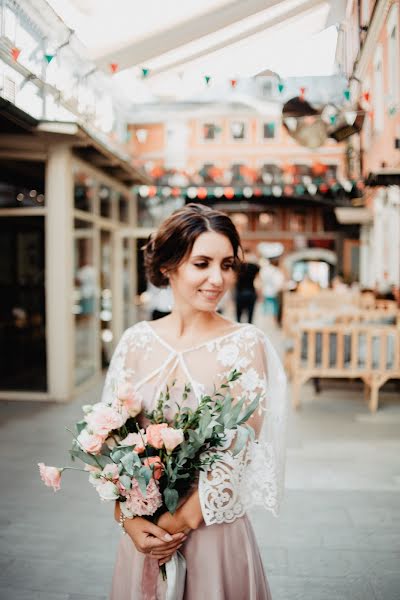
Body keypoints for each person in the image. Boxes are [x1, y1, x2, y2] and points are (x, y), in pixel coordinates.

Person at [102, 204, 287, 600]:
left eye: (226, 264)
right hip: (144, 533)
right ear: (168, 266)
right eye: (201, 263)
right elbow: (112, 438)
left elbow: (239, 448)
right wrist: (129, 519)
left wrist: (175, 524)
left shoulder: (244, 343)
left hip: (208, 531)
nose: (217, 279)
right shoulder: (136, 341)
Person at [234, 248, 260, 323]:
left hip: (240, 292)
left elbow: (233, 280)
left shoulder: (238, 266)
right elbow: (258, 281)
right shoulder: (255, 267)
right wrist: (259, 293)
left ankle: (238, 330)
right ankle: (249, 331)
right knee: (250, 316)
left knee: (238, 315)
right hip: (251, 291)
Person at [260, 258, 285, 322]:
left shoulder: (264, 269)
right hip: (274, 292)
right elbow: (278, 283)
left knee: (267, 308)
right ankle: (274, 321)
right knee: (274, 309)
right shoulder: (276, 270)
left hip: (266, 291)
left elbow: (262, 280)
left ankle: (267, 321)